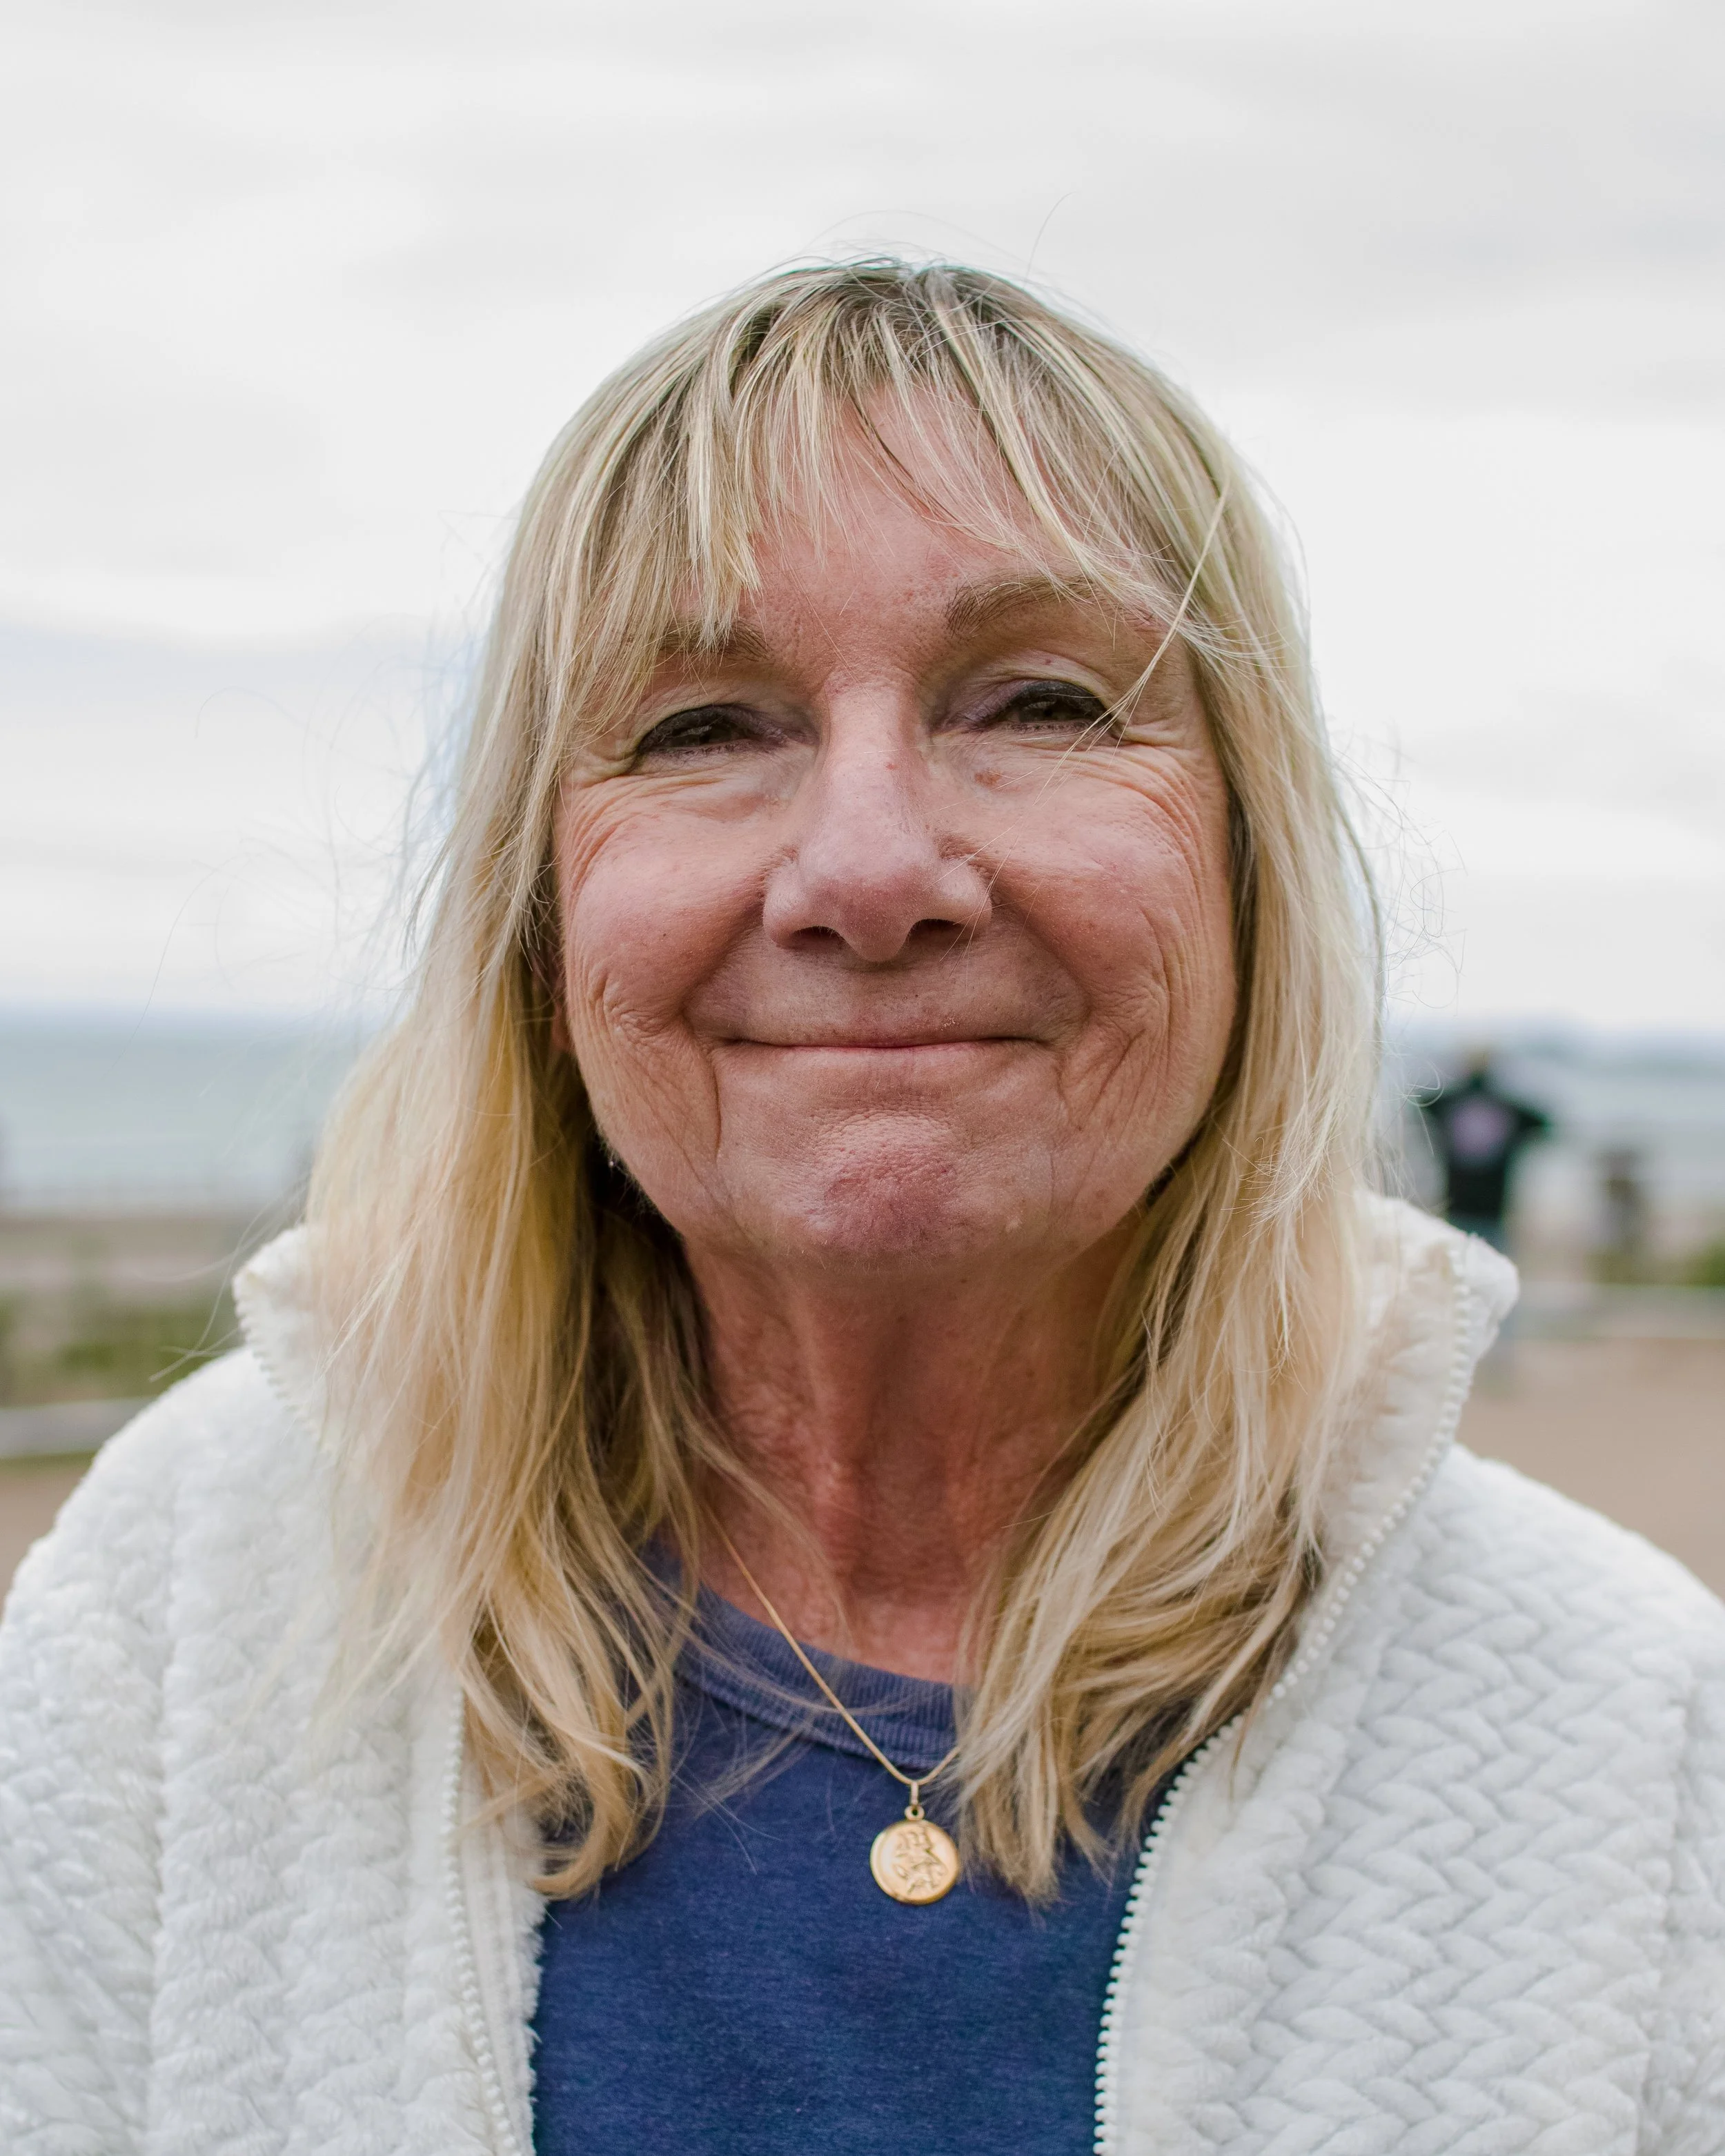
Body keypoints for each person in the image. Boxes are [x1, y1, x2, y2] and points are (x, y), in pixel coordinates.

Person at [2, 262, 1721, 2155]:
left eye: (1043, 701)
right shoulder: (191, 1603)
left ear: (1247, 881)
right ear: (541, 929)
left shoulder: (1623, 1737)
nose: (871, 867)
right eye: (702, 726)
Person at [1415, 1047, 1551, 1251]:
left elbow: (1421, 1101)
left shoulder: (1451, 1103)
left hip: (1459, 1204)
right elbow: (1542, 1121)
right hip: (1492, 1209)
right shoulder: (1508, 1108)